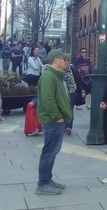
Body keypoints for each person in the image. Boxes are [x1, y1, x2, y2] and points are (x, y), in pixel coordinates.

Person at [35, 50, 73, 195]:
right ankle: (42, 184)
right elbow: (48, 100)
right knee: (49, 152)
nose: (66, 61)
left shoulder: (56, 75)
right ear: (56, 60)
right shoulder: (49, 76)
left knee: (52, 151)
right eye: (64, 59)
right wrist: (58, 117)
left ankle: (47, 180)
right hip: (53, 121)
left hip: (56, 120)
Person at [63, 62, 82, 135]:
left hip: (72, 91)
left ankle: (69, 127)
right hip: (63, 92)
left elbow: (78, 80)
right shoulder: (59, 70)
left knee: (70, 108)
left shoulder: (73, 69)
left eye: (67, 60)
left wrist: (82, 90)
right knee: (63, 108)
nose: (66, 62)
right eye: (64, 60)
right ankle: (64, 125)